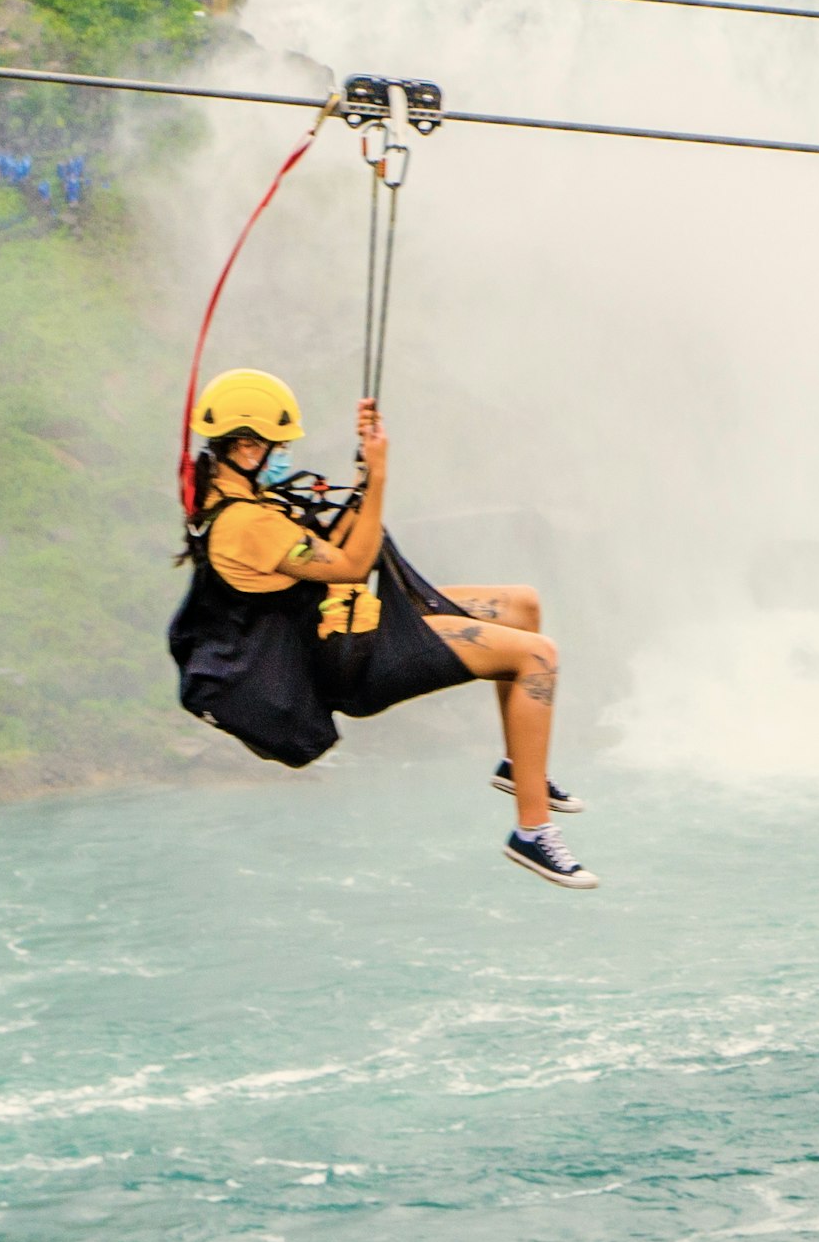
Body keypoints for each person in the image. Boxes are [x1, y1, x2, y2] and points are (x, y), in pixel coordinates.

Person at [168, 367, 597, 888]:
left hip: (354, 624)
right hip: (354, 662)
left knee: (522, 607)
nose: (282, 455)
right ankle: (532, 831)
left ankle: (520, 769)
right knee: (537, 656)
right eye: (275, 444)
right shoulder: (245, 524)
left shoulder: (239, 499)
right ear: (244, 445)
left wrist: (365, 470)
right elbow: (351, 563)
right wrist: (382, 475)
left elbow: (330, 541)